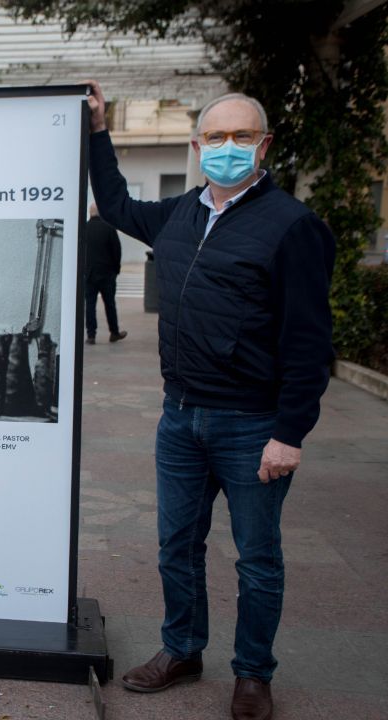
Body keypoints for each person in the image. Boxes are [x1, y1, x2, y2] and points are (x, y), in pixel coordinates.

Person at [86, 81, 335, 720]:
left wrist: (290, 433)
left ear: (264, 144)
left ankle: (253, 673)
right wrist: (98, 130)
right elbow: (113, 202)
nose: (227, 147)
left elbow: (309, 343)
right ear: (198, 145)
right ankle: (183, 649)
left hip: (253, 425)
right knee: (177, 544)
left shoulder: (293, 227)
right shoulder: (181, 213)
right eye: (216, 136)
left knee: (257, 558)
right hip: (180, 417)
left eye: (242, 136)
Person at [83, 203, 127, 344]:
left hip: (89, 274)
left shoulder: (83, 228)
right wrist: (116, 269)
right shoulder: (109, 228)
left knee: (90, 305)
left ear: (90, 213)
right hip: (107, 274)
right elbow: (116, 250)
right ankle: (114, 333)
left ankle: (91, 335)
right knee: (110, 304)